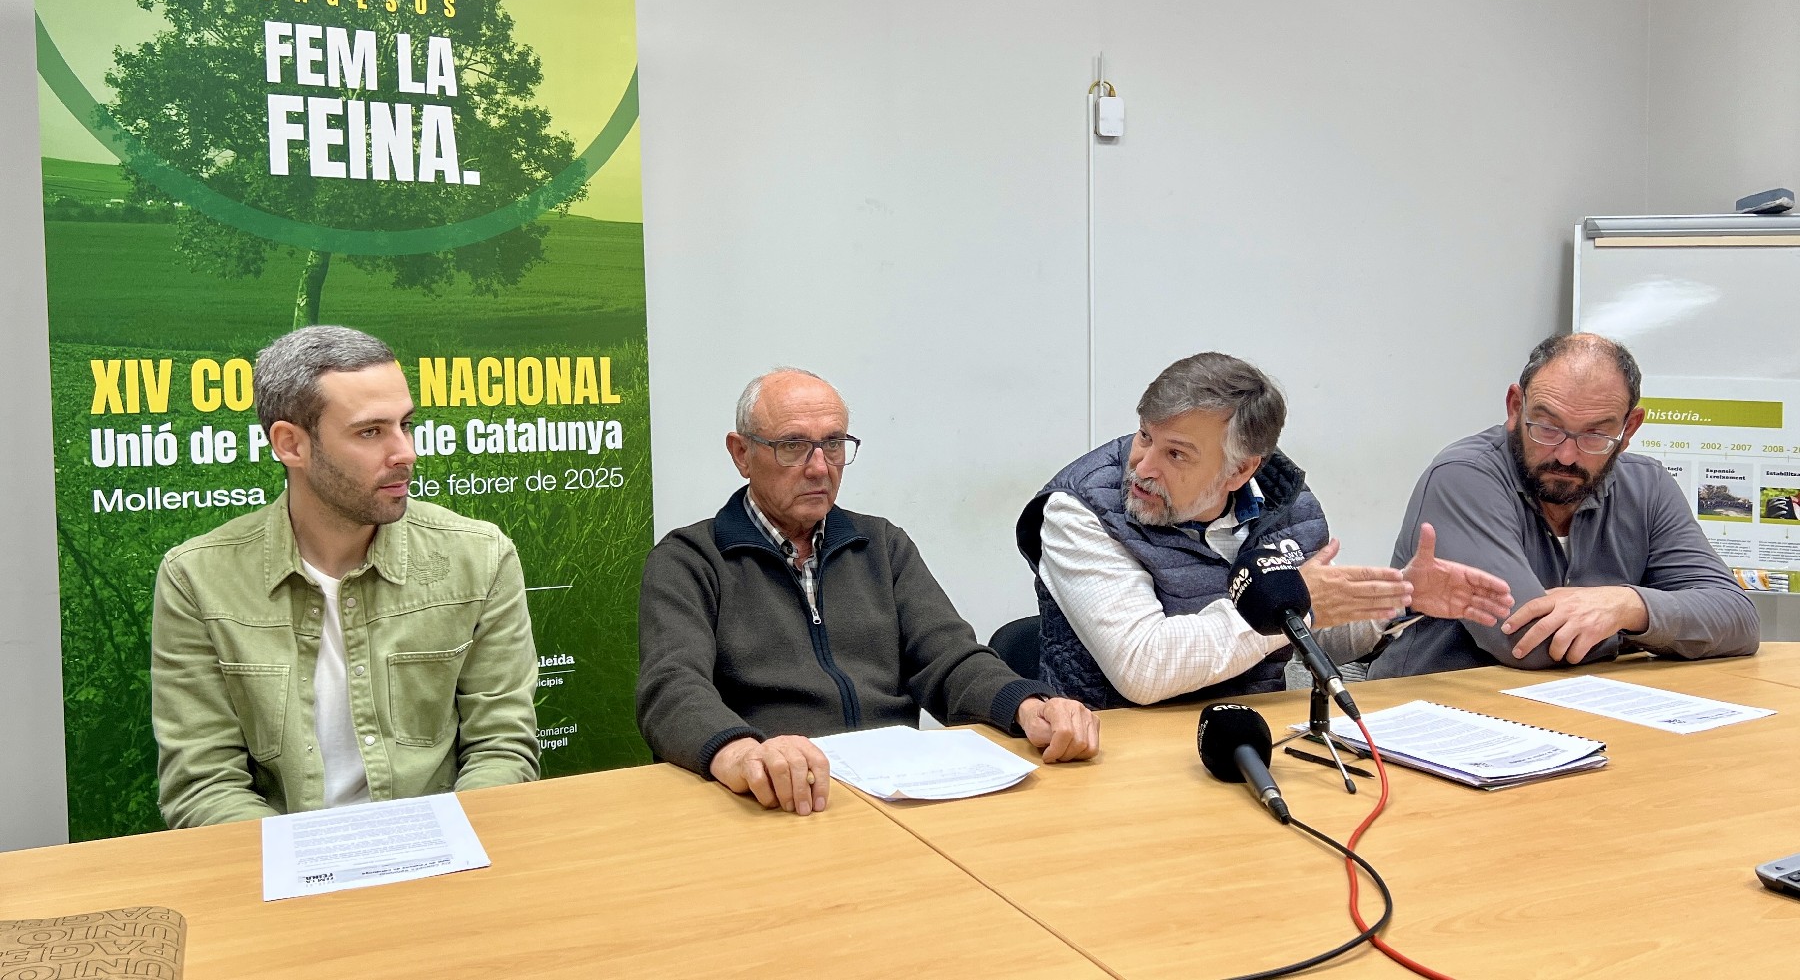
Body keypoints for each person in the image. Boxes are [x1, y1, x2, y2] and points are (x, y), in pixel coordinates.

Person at [637, 368, 1100, 816]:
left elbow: (949, 658)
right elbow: (672, 688)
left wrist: (1028, 705)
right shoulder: (691, 560)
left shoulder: (881, 545)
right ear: (741, 454)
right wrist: (741, 752)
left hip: (895, 792)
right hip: (774, 796)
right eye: (793, 446)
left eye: (833, 444)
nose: (819, 468)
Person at [151, 326, 539, 828]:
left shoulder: (480, 558)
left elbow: (501, 749)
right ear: (291, 444)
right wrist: (309, 862)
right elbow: (204, 783)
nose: (406, 452)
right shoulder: (197, 579)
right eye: (370, 432)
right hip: (277, 860)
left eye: (406, 425)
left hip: (445, 848)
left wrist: (442, 849)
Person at [1018, 352, 1513, 708]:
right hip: (1115, 753)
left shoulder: (1287, 506)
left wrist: (1397, 599)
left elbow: (1311, 636)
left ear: (1240, 471)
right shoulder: (1079, 510)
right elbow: (1143, 668)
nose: (1142, 467)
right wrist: (1297, 606)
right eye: (1145, 436)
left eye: (1176, 454)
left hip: (1248, 737)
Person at [1369, 332, 1760, 678]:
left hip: (1586, 706)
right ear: (1515, 407)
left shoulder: (1648, 485)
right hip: (1438, 708)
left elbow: (1738, 619)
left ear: (1629, 429)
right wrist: (1654, 629)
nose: (1566, 455)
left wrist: (1626, 604)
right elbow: (1528, 642)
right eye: (1548, 427)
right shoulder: (1463, 476)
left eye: (1595, 434)